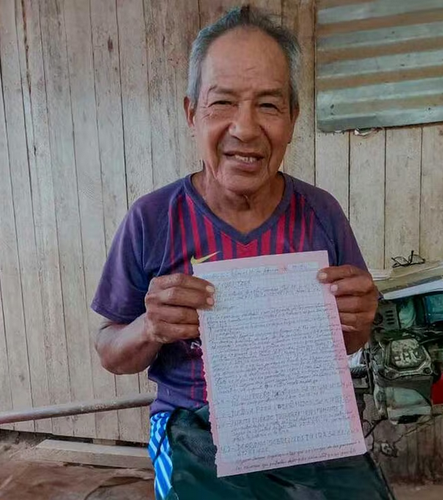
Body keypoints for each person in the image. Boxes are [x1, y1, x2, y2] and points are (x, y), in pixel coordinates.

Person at [92, 5, 391, 499]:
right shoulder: (152, 219)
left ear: (293, 118)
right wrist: (150, 328)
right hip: (194, 426)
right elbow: (110, 351)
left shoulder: (320, 213)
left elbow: (351, 338)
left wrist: (360, 319)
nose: (246, 129)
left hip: (305, 422)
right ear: (192, 113)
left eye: (269, 105)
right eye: (223, 103)